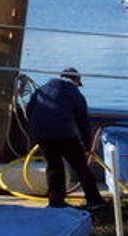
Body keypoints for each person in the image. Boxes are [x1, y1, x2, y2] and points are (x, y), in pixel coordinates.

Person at [27, 67, 104, 209]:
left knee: (54, 167)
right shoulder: (75, 93)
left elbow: (29, 110)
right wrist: (88, 146)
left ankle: (56, 202)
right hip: (63, 134)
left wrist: (36, 135)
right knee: (81, 167)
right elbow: (83, 122)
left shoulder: (42, 89)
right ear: (76, 80)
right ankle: (95, 201)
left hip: (41, 134)